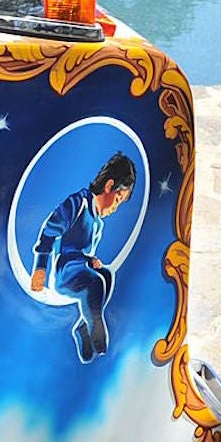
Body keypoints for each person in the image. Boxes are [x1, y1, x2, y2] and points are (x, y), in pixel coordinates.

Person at [29, 152, 137, 363]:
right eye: (117, 200)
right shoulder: (78, 203)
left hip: (81, 268)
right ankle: (95, 328)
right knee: (95, 281)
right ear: (109, 186)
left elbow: (84, 253)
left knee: (106, 274)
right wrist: (40, 267)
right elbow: (49, 231)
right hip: (65, 271)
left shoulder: (99, 223)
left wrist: (92, 261)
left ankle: (83, 326)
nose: (115, 208)